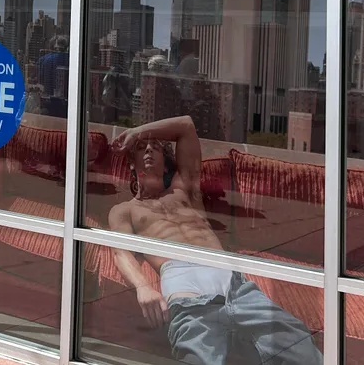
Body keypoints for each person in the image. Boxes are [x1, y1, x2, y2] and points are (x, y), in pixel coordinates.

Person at [108, 116, 322, 365]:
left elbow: (187, 125)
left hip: (232, 282)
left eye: (155, 147)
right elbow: (120, 251)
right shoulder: (124, 210)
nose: (148, 149)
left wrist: (138, 132)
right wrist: (142, 287)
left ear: (166, 166)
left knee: (301, 347)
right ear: (131, 165)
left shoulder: (184, 191)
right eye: (141, 148)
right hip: (185, 288)